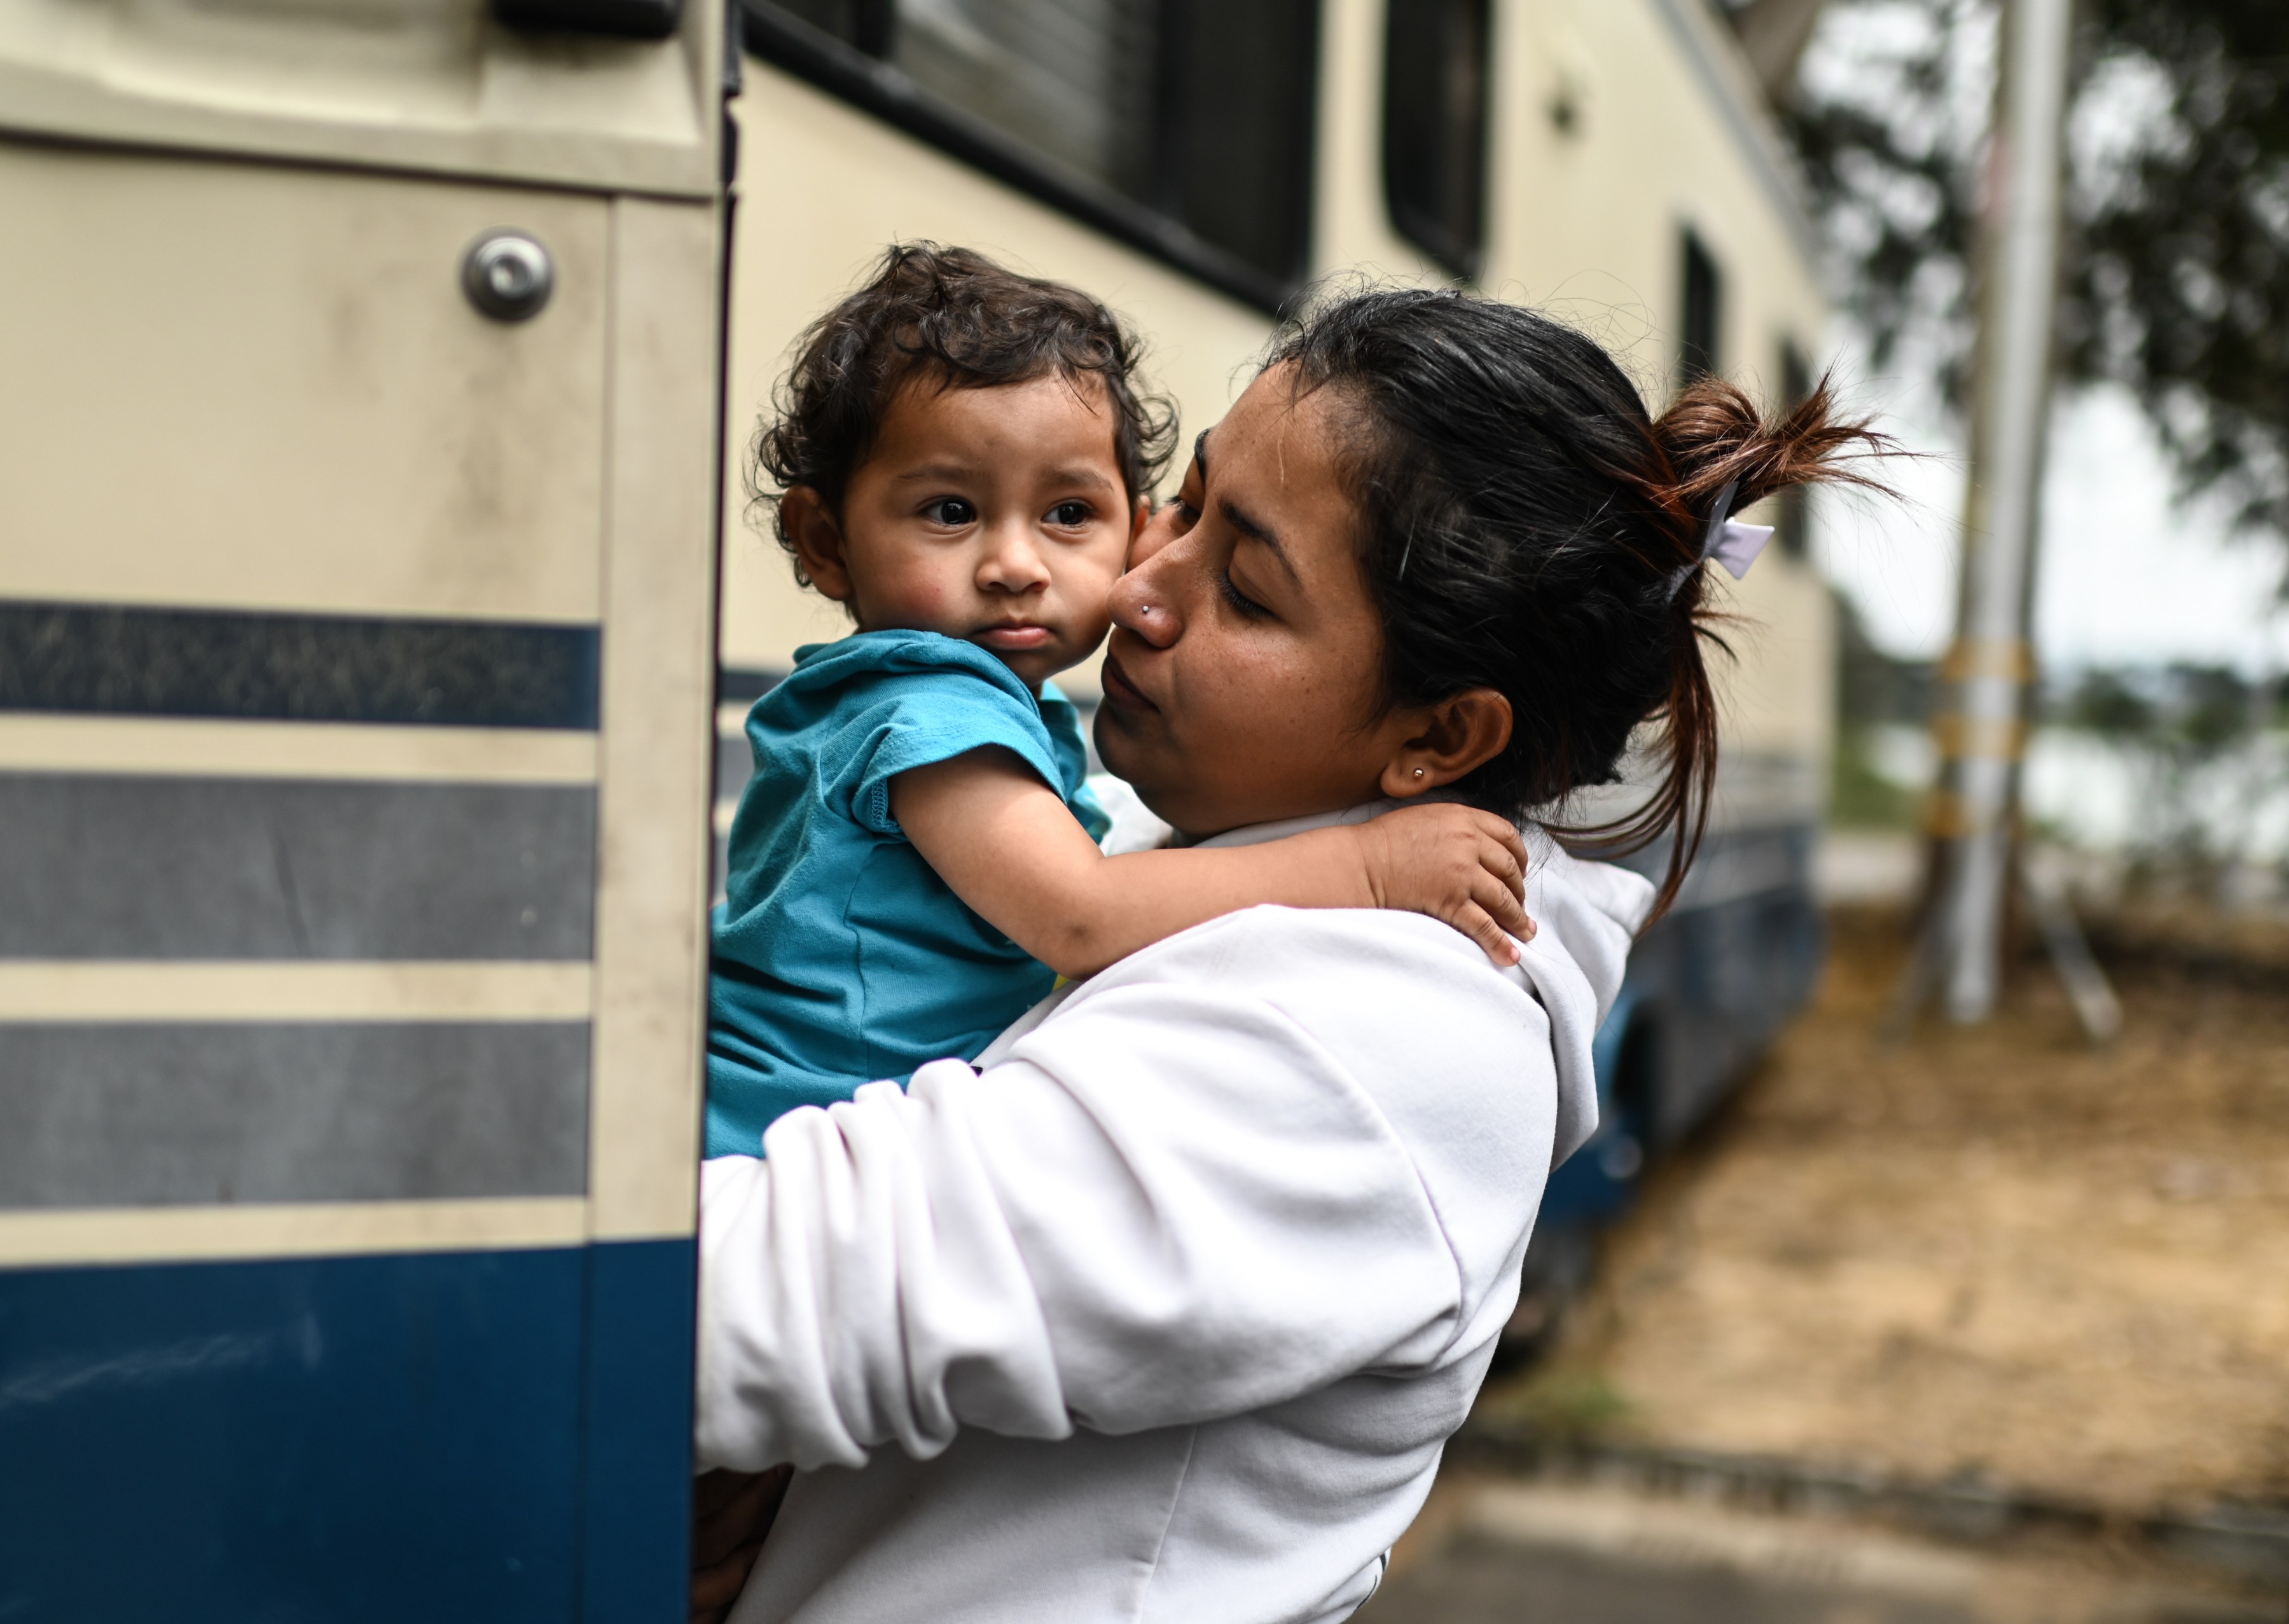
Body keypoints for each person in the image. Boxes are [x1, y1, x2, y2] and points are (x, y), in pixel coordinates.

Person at [693, 286, 1883, 1623]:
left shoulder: (1376, 1043)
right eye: (1183, 504)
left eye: (1245, 590)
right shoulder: (1195, 842)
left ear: (1440, 742)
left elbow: (716, 1302)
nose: (1137, 589)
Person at [706, 246, 1537, 1159]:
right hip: (777, 1133)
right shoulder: (927, 710)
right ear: (826, 543)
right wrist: (1369, 869)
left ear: (1128, 521)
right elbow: (1080, 910)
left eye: (1068, 514)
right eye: (949, 511)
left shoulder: (961, 702)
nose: (1016, 565)